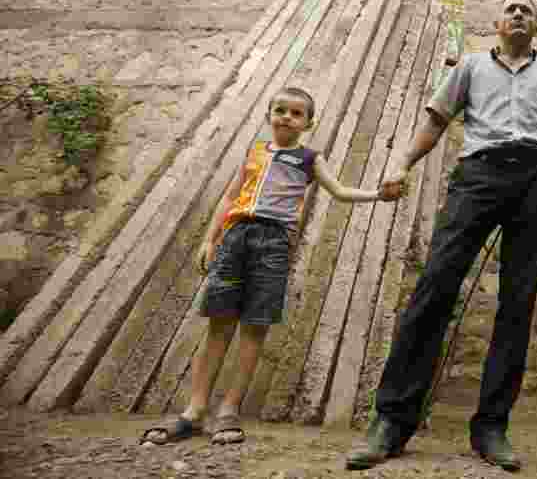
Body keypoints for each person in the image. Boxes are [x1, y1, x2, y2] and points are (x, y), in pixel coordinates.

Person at [345, 0, 537, 472]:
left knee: (517, 301)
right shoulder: (471, 67)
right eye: (512, 8)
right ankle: (392, 422)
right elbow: (435, 122)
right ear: (498, 23)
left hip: (535, 181)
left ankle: (491, 427)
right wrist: (402, 164)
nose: (520, 14)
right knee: (434, 287)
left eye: (529, 10)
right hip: (477, 176)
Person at [140, 86, 400, 446]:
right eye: (280, 110)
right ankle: (194, 411)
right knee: (218, 322)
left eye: (296, 113)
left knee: (254, 325)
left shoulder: (309, 159)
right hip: (235, 237)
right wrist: (209, 239)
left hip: (273, 242)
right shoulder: (254, 152)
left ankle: (229, 411)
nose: (287, 117)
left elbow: (339, 191)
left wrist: (378, 194)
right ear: (269, 114)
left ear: (309, 123)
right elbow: (232, 196)